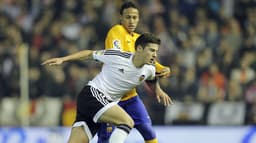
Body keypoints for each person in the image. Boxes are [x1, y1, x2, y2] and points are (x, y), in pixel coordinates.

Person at [42, 33, 172, 143]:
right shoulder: (118, 56)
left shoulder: (149, 69)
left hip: (100, 104)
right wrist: (63, 59)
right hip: (93, 94)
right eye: (151, 50)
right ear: (139, 48)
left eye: (156, 51)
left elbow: (152, 78)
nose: (155, 55)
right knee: (127, 122)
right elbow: (89, 54)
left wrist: (158, 90)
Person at [97, 1, 171, 143]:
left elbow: (149, 62)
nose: (131, 21)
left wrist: (162, 69)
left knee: (148, 131)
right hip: (111, 98)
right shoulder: (116, 31)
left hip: (130, 97)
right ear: (121, 18)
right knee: (105, 138)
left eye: (135, 17)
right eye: (128, 17)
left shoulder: (138, 39)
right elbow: (119, 58)